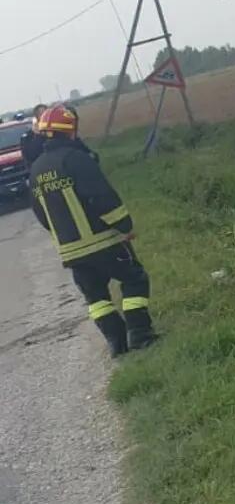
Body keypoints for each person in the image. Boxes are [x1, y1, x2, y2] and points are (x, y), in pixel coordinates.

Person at [28, 105, 156, 357]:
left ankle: (117, 343)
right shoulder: (76, 159)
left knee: (96, 298)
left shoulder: (36, 170)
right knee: (134, 279)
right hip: (103, 242)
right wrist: (124, 225)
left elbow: (42, 215)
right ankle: (140, 334)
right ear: (70, 130)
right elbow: (101, 197)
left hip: (72, 252)